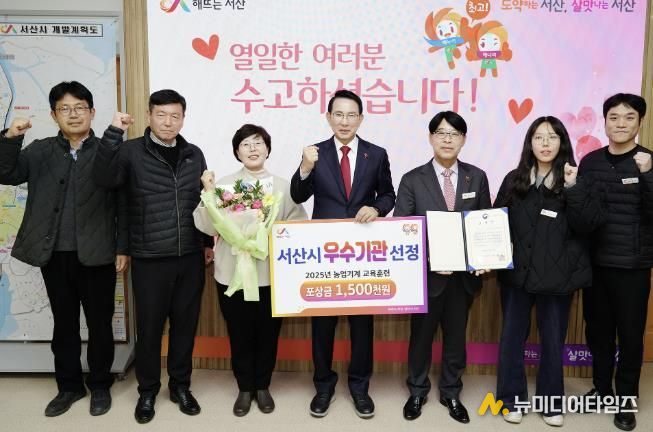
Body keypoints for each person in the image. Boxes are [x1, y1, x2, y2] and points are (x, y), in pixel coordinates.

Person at [0, 81, 128, 417]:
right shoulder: (40, 150)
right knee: (65, 323)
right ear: (54, 115)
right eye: (64, 109)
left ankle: (99, 385)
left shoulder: (108, 152)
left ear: (92, 112)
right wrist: (10, 138)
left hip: (98, 253)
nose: (73, 114)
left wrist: (122, 247)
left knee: (100, 325)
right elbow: (6, 173)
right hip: (54, 255)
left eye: (80, 107)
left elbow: (124, 204)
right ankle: (69, 387)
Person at [93, 89, 214, 424]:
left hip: (190, 255)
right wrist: (113, 133)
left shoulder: (194, 154)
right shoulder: (130, 151)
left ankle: (180, 386)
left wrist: (206, 242)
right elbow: (103, 179)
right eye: (161, 115)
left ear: (183, 118)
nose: (168, 122)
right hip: (149, 256)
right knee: (149, 330)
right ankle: (147, 391)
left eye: (175, 115)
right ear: (149, 116)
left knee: (185, 327)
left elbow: (202, 202)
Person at [290, 89, 396, 418]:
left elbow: (388, 194)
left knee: (362, 326)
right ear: (328, 117)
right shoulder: (315, 153)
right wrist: (305, 167)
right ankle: (323, 386)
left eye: (351, 115)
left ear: (361, 119)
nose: (345, 121)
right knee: (322, 325)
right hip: (325, 253)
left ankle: (360, 387)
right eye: (338, 114)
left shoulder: (376, 154)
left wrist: (376, 209)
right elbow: (297, 194)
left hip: (361, 253)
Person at [494, 116, 602, 427]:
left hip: (558, 278)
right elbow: (496, 221)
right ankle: (510, 399)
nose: (545, 143)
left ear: (562, 143)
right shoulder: (514, 179)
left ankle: (551, 402)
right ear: (529, 143)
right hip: (517, 276)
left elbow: (588, 224)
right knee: (511, 339)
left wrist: (573, 187)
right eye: (539, 137)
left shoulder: (575, 179)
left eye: (552, 137)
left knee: (553, 342)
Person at [194, 124, 307, 417]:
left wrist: (269, 235)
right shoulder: (223, 185)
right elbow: (206, 226)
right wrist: (209, 193)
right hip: (231, 273)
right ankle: (245, 387)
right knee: (239, 332)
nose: (253, 148)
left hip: (270, 274)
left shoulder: (283, 186)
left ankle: (263, 385)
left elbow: (298, 225)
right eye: (246, 144)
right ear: (237, 151)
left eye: (258, 143)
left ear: (268, 149)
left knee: (268, 333)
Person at [394, 111, 490, 424]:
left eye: (454, 134)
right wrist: (430, 259)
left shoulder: (477, 177)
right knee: (421, 338)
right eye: (441, 133)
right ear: (430, 137)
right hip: (427, 277)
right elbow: (403, 228)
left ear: (463, 139)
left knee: (456, 339)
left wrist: (483, 257)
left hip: (462, 279)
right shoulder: (412, 179)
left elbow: (484, 222)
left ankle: (451, 392)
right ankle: (417, 390)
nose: (447, 139)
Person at [578, 93, 652, 432]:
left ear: (640, 122)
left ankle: (626, 401)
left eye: (629, 117)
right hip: (595, 265)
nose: (621, 123)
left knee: (631, 337)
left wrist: (648, 175)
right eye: (614, 117)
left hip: (632, 266)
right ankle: (602, 389)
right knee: (598, 333)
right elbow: (582, 213)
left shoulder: (648, 162)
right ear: (605, 121)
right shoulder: (590, 162)